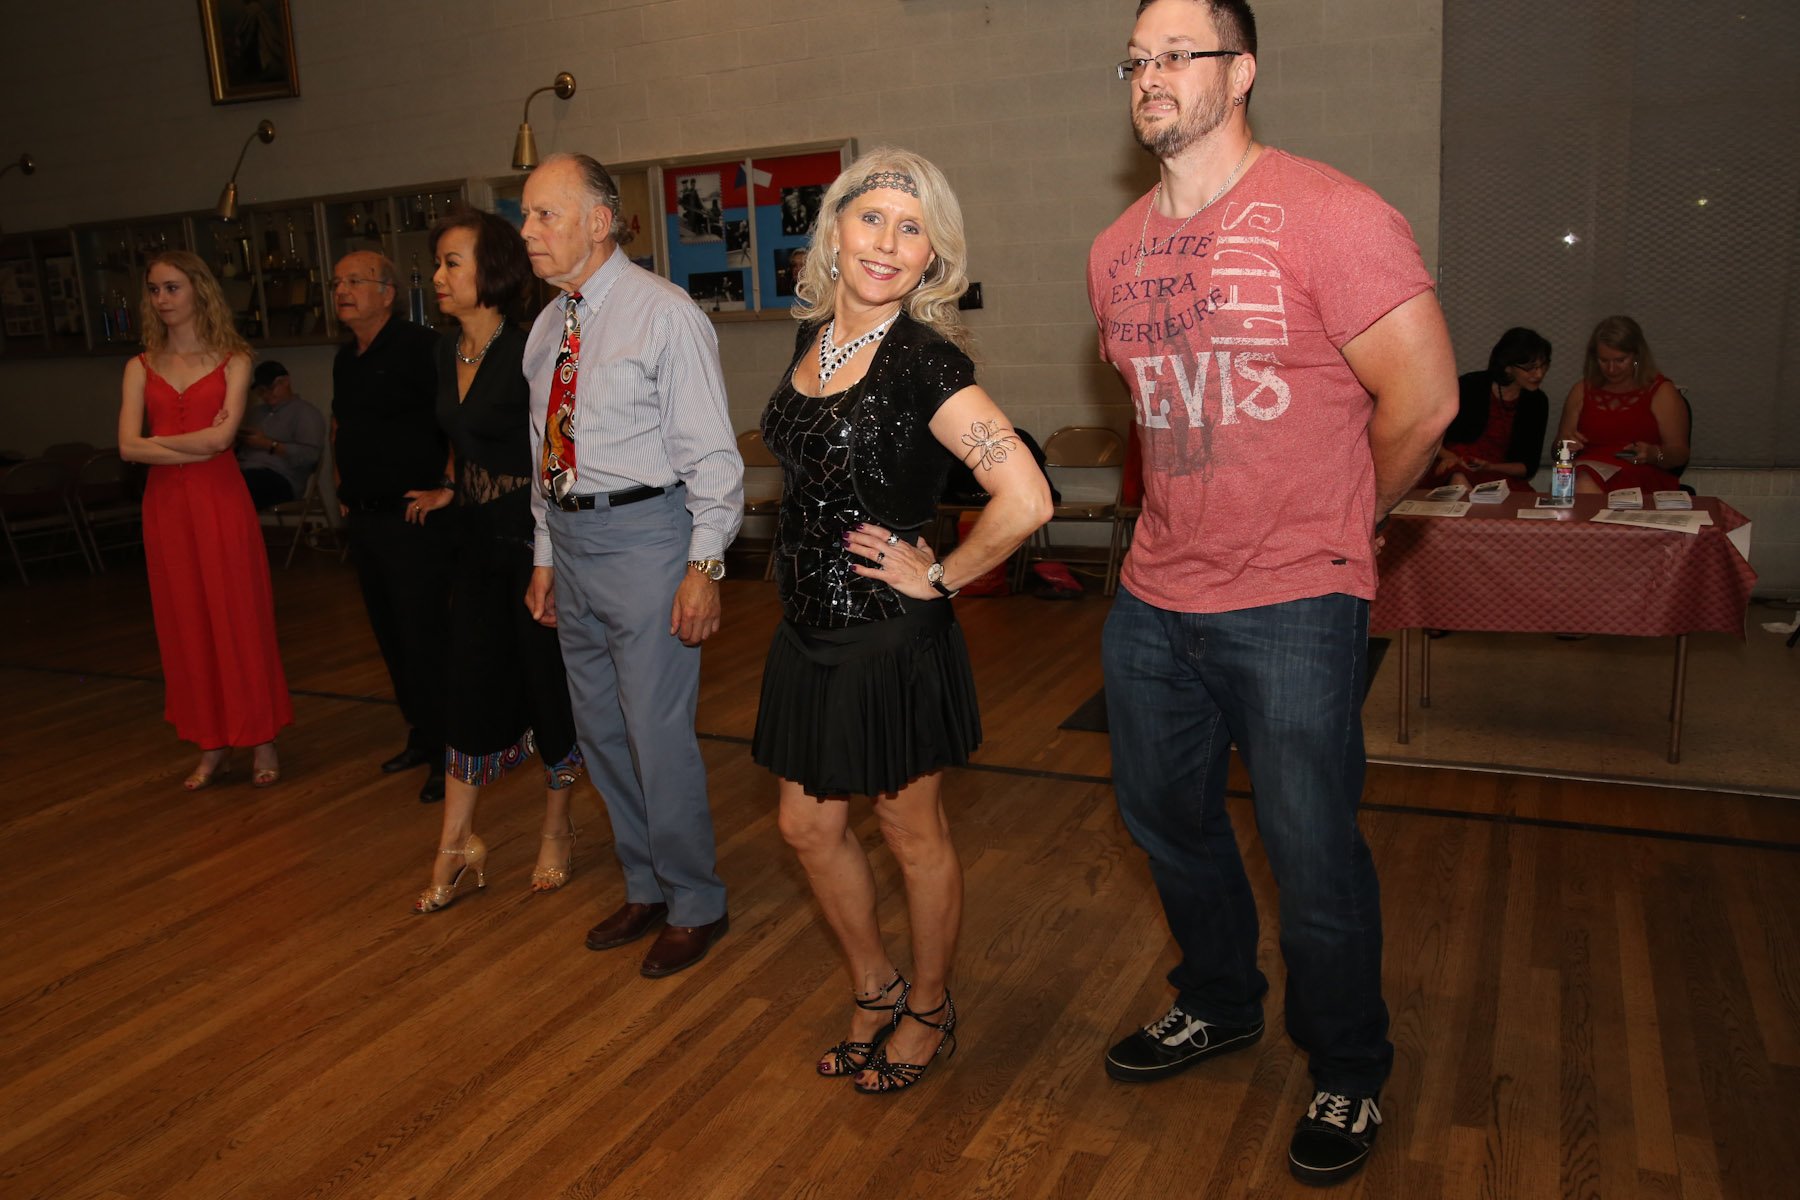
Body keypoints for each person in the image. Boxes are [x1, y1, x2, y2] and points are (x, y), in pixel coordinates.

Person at [1089, 1, 1458, 1187]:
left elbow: (1427, 403)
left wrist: (1347, 517)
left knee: (1310, 852)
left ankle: (1348, 1066)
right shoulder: (1114, 250)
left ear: (1240, 71)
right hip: (1156, 596)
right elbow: (1157, 415)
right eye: (1136, 59)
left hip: (1297, 596)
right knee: (1167, 823)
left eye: (1177, 54)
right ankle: (1218, 1000)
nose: (1151, 75)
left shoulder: (1334, 215)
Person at [753, 149, 1052, 1095]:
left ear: (933, 256)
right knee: (806, 827)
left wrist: (944, 576)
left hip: (887, 633)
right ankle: (874, 985)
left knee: (908, 829)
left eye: (912, 228)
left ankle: (927, 1006)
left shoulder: (925, 361)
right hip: (805, 627)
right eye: (872, 218)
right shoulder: (812, 339)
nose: (887, 243)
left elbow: (1026, 498)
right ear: (836, 230)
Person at [519, 153, 745, 977]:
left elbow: (713, 459)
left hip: (648, 538)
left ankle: (696, 901)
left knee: (655, 732)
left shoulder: (664, 314)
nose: (528, 231)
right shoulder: (549, 327)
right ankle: (645, 882)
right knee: (600, 731)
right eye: (526, 215)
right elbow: (546, 454)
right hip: (573, 543)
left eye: (544, 214)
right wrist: (546, 555)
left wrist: (704, 568)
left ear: (599, 221)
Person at [408, 209, 590, 913]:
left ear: (493, 271)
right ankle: (455, 844)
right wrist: (452, 487)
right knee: (470, 683)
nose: (438, 276)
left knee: (548, 687)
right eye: (438, 263)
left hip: (537, 542)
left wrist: (554, 550)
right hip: (476, 543)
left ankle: (557, 826)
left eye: (452, 262)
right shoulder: (441, 352)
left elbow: (558, 447)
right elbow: (465, 441)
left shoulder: (529, 346)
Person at [116, 250, 290, 789]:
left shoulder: (235, 360)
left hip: (220, 502)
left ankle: (261, 738)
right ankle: (210, 743)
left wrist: (160, 443)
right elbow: (126, 447)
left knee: (239, 616)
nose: (161, 299)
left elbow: (222, 440)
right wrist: (193, 443)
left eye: (172, 287)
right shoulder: (139, 367)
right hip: (166, 508)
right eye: (154, 289)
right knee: (185, 621)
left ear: (198, 290)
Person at [329, 249, 454, 804]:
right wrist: (341, 485)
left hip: (413, 517)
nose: (342, 291)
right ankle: (422, 734)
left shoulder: (421, 347)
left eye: (355, 281)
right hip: (365, 516)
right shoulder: (345, 358)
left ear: (387, 292)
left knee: (425, 635)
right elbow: (342, 423)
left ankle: (450, 751)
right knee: (390, 634)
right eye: (337, 283)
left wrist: (448, 485)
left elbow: (455, 420)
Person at [1555, 315, 1690, 494]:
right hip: (1587, 471)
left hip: (1641, 473)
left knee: (1582, 484)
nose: (1611, 369)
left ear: (1637, 356)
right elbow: (1557, 453)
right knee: (1574, 479)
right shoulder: (1581, 390)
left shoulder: (1661, 392)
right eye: (1604, 361)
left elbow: (1680, 454)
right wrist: (1565, 446)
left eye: (1620, 360)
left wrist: (1653, 454)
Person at [1425, 327, 1551, 492]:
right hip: (1453, 463)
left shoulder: (1537, 402)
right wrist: (1450, 457)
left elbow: (1527, 467)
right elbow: (1429, 434)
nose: (1539, 374)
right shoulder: (1470, 385)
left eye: (1544, 365)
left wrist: (1490, 467)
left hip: (1497, 473)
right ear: (1508, 367)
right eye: (1530, 368)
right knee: (1459, 476)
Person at [235, 360, 325, 508]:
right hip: (245, 470)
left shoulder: (306, 413)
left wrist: (268, 444)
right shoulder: (256, 413)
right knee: (213, 481)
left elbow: (310, 457)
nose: (266, 395)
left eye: (270, 388)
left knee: (236, 487)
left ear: (286, 381)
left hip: (281, 477)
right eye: (261, 391)